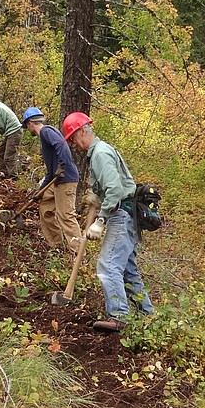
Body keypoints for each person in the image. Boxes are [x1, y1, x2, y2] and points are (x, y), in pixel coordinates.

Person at [61, 112, 153, 331]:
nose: (73, 145)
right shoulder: (101, 152)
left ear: (83, 131)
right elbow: (111, 186)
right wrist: (96, 195)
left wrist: (100, 220)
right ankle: (149, 317)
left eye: (73, 138)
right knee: (128, 271)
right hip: (128, 216)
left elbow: (115, 190)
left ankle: (119, 316)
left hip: (121, 215)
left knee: (108, 265)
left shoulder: (100, 153)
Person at [22, 106, 82, 253]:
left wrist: (62, 166)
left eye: (26, 126)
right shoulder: (45, 136)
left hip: (66, 179)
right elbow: (51, 171)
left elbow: (61, 145)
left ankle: (79, 254)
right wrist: (41, 191)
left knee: (66, 216)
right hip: (56, 179)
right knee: (45, 208)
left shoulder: (46, 131)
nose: (27, 129)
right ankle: (57, 246)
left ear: (30, 123)